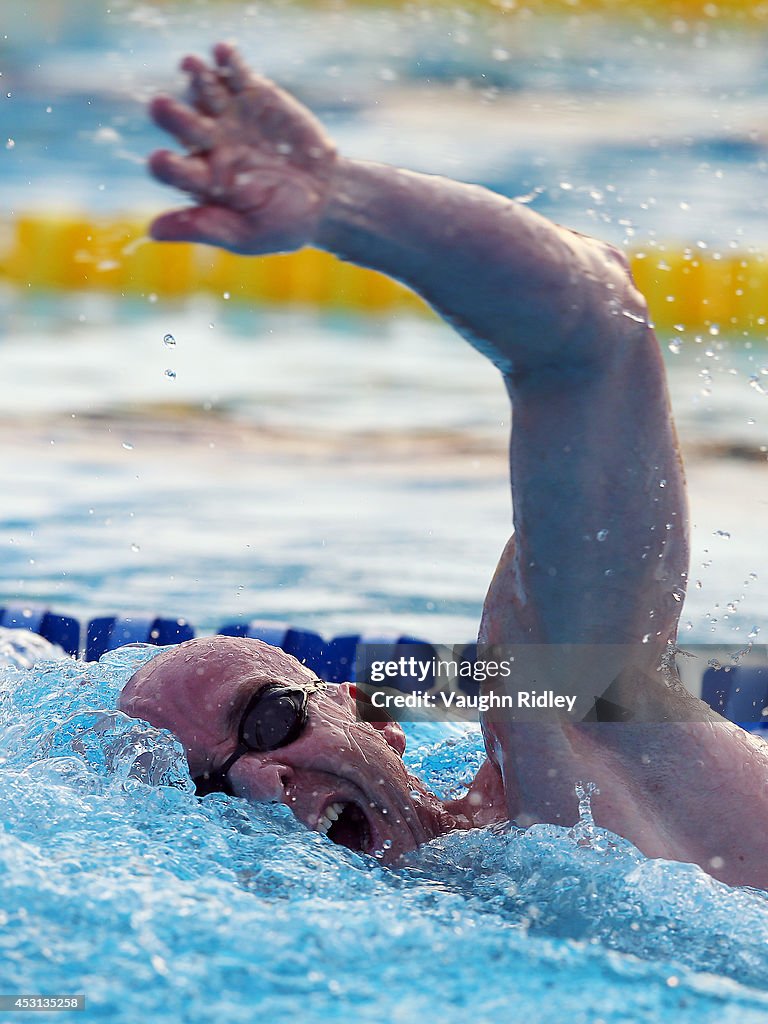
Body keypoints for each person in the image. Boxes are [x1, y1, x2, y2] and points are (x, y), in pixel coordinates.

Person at [120, 43, 768, 889]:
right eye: (204, 791)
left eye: (270, 718)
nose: (257, 781)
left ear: (375, 718)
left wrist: (344, 205)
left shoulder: (563, 743)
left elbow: (592, 338)